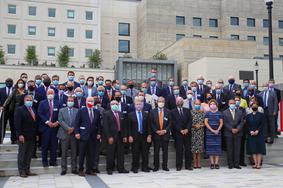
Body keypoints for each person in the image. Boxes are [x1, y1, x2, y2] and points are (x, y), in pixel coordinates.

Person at [74, 97, 101, 176]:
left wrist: (99, 133)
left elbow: (98, 124)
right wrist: (77, 133)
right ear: (85, 102)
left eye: (92, 101)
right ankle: (81, 170)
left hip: (93, 136)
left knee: (91, 154)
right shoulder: (81, 111)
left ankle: (89, 170)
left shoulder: (96, 111)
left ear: (94, 102)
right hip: (83, 136)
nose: (90, 102)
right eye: (89, 101)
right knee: (82, 154)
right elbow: (77, 123)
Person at [103, 100, 129, 175]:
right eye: (113, 104)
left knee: (121, 153)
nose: (115, 105)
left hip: (120, 136)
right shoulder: (106, 114)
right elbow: (106, 127)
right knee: (110, 153)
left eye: (116, 104)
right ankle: (109, 168)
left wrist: (124, 136)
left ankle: (121, 168)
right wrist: (109, 137)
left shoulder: (121, 114)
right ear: (110, 105)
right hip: (111, 136)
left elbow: (124, 126)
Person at [15, 95, 37, 177]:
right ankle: (21, 171)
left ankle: (27, 170)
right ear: (24, 101)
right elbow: (17, 124)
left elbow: (34, 122)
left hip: (32, 136)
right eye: (27, 100)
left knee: (29, 154)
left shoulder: (33, 109)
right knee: (22, 154)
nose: (29, 101)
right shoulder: (19, 110)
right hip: (23, 136)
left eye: (31, 100)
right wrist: (20, 134)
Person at [128, 98, 152, 173]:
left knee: (145, 153)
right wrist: (130, 136)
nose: (138, 106)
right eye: (137, 104)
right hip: (135, 136)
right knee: (135, 153)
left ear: (142, 106)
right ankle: (135, 168)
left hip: (144, 136)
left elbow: (149, 126)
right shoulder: (130, 115)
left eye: (140, 104)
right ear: (135, 105)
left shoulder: (146, 114)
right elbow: (128, 126)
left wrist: (149, 135)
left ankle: (145, 167)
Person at [38, 89, 60, 167]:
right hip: (45, 127)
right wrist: (47, 122)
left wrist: (57, 122)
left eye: (52, 93)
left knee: (54, 145)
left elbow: (60, 114)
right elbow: (40, 114)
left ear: (54, 94)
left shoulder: (58, 102)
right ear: (46, 94)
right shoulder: (42, 103)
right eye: (49, 93)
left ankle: (53, 161)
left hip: (55, 127)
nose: (50, 94)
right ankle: (44, 161)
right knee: (45, 145)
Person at [57, 96, 79, 175]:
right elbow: (60, 120)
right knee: (64, 152)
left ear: (73, 102)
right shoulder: (62, 110)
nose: (70, 102)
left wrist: (72, 128)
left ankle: (74, 168)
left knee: (74, 152)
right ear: (66, 101)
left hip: (73, 134)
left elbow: (78, 121)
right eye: (69, 100)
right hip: (64, 133)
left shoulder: (77, 110)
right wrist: (68, 128)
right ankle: (63, 169)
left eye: (71, 100)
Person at [150, 97, 171, 171]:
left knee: (165, 151)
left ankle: (165, 166)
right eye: (159, 101)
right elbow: (151, 123)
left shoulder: (168, 111)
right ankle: (156, 166)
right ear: (157, 102)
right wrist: (156, 131)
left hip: (165, 134)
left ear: (164, 102)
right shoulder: (152, 112)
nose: (161, 102)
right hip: (156, 135)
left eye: (162, 101)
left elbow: (170, 123)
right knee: (156, 151)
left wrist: (165, 130)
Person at [171, 97, 193, 171]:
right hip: (178, 134)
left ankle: (188, 166)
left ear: (183, 102)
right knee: (179, 150)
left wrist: (187, 129)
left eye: (181, 101)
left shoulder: (187, 110)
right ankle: (178, 166)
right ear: (176, 102)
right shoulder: (173, 111)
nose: (179, 102)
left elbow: (190, 121)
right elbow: (173, 122)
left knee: (188, 150)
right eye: (178, 101)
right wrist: (180, 130)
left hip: (187, 133)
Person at [3, 79, 27, 144]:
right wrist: (4, 106)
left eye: (21, 82)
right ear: (17, 83)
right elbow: (9, 99)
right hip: (16, 110)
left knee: (23, 125)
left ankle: (22, 139)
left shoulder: (26, 91)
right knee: (14, 125)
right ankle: (14, 139)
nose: (20, 84)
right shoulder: (15, 91)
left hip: (24, 110)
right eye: (19, 82)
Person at [223, 99, 244, 169]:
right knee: (229, 149)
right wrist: (231, 129)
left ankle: (236, 164)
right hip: (229, 133)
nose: (232, 104)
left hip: (238, 133)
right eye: (231, 103)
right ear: (228, 104)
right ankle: (230, 164)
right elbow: (225, 123)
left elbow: (242, 122)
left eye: (233, 103)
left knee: (237, 149)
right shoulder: (224, 112)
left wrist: (237, 129)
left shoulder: (240, 112)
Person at [246, 103, 266, 169]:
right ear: (251, 107)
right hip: (251, 134)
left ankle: (258, 164)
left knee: (259, 150)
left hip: (259, 134)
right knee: (253, 149)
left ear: (257, 107)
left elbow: (262, 124)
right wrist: (250, 131)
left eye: (255, 106)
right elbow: (247, 125)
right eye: (253, 106)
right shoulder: (248, 116)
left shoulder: (261, 115)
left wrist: (258, 130)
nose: (254, 107)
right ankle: (255, 163)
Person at [204, 99, 223, 169]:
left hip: (217, 133)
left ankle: (217, 163)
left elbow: (221, 122)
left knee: (217, 148)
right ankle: (212, 163)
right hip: (209, 133)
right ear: (209, 105)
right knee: (210, 148)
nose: (213, 105)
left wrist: (218, 130)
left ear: (216, 105)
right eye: (211, 104)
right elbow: (206, 123)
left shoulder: (219, 113)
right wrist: (212, 130)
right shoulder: (207, 113)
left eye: (214, 104)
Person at [259, 80, 278, 144]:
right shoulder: (260, 94)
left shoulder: (273, 93)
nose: (264, 87)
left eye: (265, 86)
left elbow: (275, 102)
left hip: (271, 110)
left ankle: (272, 139)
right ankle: (265, 138)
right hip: (263, 111)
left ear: (267, 86)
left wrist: (275, 111)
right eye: (263, 86)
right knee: (265, 125)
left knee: (272, 125)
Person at [191, 100, 205, 168]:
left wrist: (201, 125)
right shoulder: (191, 112)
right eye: (196, 104)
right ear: (194, 105)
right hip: (193, 132)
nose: (197, 105)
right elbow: (188, 121)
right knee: (194, 148)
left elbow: (205, 122)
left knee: (199, 148)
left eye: (199, 104)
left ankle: (198, 163)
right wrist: (194, 125)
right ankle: (194, 163)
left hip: (200, 132)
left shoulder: (202, 113)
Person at [0, 78, 14, 144]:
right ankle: (1, 139)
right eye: (7, 81)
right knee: (2, 125)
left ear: (12, 82)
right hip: (4, 110)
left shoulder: (15, 90)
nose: (9, 82)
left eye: (10, 81)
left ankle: (13, 139)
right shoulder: (1, 90)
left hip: (12, 111)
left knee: (13, 125)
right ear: (5, 82)